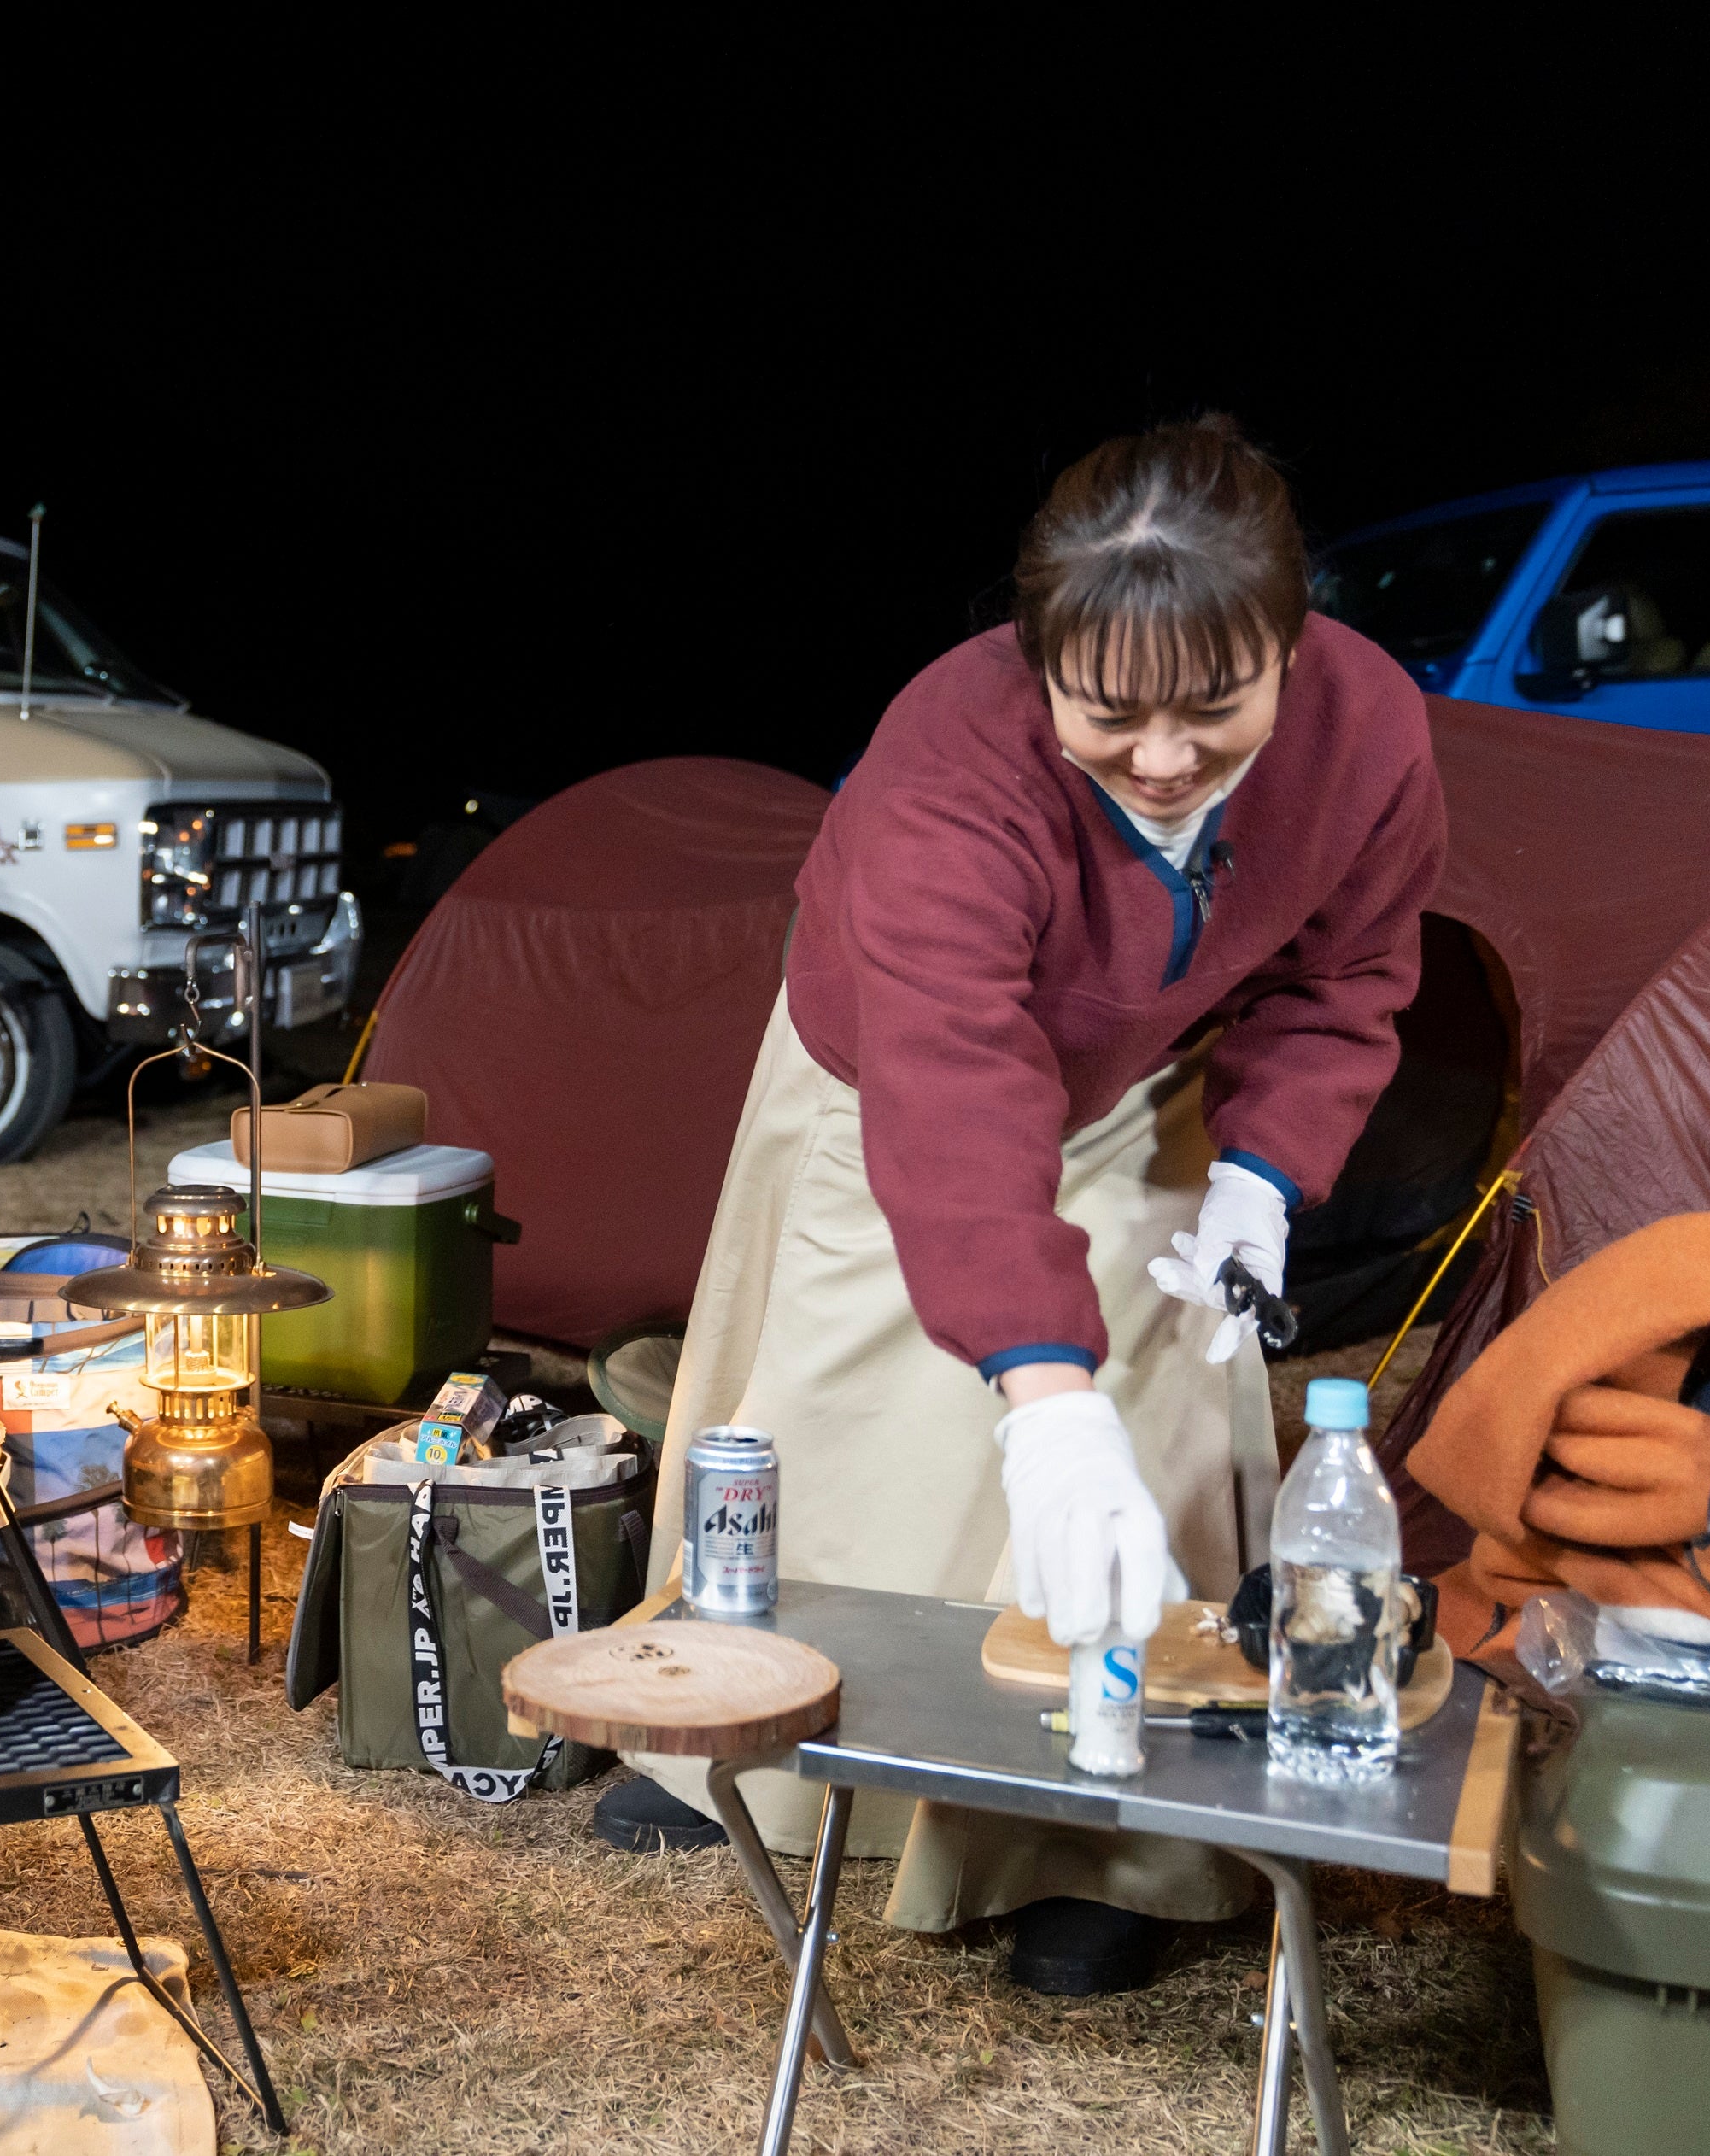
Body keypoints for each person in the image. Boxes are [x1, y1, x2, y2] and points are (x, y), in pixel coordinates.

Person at [592, 417, 1446, 1995]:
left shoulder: (1369, 729)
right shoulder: (949, 758)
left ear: (1293, 646)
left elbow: (1350, 976)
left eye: (1215, 710)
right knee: (858, 1419)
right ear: (1038, 663)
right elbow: (954, 1080)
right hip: (891, 1068)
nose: (1166, 760)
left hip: (1146, 1074)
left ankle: (1107, 1840)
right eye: (1110, 716)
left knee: (1159, 1414)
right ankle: (754, 1758)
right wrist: (1042, 1406)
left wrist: (1262, 1172)